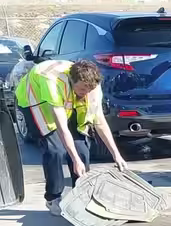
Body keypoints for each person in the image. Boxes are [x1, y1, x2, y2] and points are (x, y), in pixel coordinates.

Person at [14, 58, 127, 215]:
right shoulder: (51, 82)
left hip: (64, 98)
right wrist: (74, 160)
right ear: (71, 81)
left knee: (82, 151)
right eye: (82, 89)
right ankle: (53, 198)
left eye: (88, 90)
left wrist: (117, 155)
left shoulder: (91, 84)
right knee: (55, 150)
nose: (86, 93)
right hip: (35, 100)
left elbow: (100, 122)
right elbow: (62, 128)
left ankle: (81, 195)